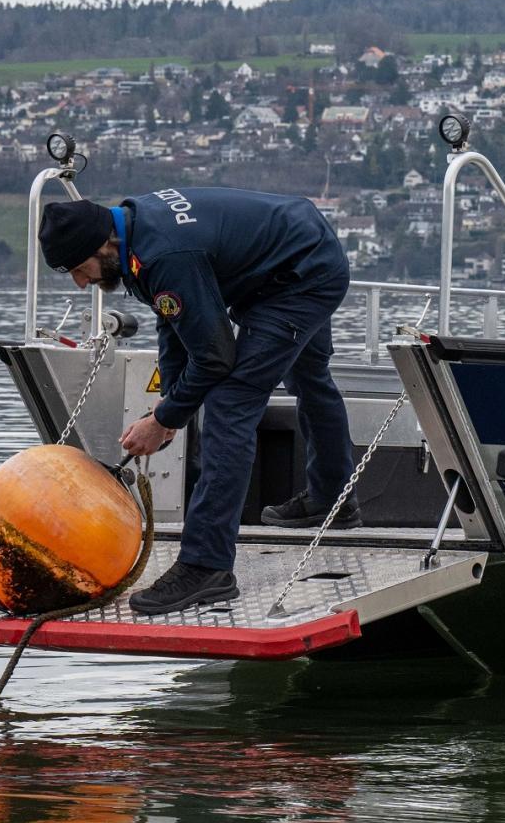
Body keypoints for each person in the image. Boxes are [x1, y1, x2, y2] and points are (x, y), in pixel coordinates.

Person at [37, 187, 359, 615]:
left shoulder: (164, 253)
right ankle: (332, 498)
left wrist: (164, 418)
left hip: (302, 275)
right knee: (310, 377)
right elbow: (173, 321)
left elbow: (214, 358)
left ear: (103, 245)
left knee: (231, 402)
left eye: (80, 269)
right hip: (292, 249)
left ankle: (207, 566)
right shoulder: (134, 233)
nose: (81, 283)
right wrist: (170, 405)